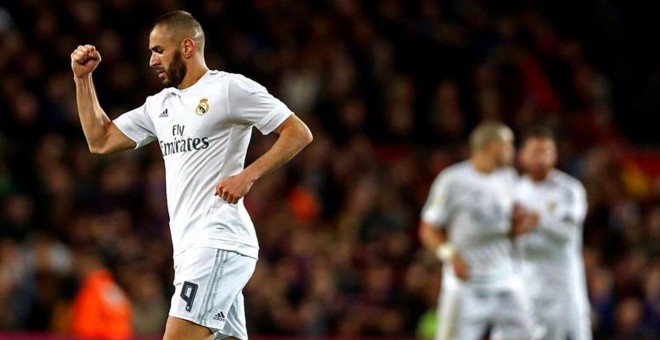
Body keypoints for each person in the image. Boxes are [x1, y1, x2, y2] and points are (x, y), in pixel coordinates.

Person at [70, 10, 313, 340]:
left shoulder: (229, 89)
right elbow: (100, 140)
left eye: (158, 50)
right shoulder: (160, 105)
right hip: (188, 250)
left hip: (217, 240)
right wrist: (83, 80)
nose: (152, 61)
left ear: (186, 47)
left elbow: (297, 132)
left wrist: (248, 176)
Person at [419, 121, 536, 340]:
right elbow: (428, 228)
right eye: (508, 145)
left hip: (507, 278)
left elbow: (507, 229)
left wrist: (523, 225)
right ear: (491, 146)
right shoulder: (452, 180)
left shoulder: (508, 178)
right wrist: (450, 256)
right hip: (467, 284)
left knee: (526, 333)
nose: (512, 151)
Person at [515, 126, 591, 340]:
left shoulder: (569, 189)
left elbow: (567, 232)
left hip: (562, 283)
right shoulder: (513, 190)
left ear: (555, 155)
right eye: (535, 152)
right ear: (522, 156)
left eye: (545, 151)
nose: (540, 158)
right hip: (525, 279)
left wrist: (536, 219)